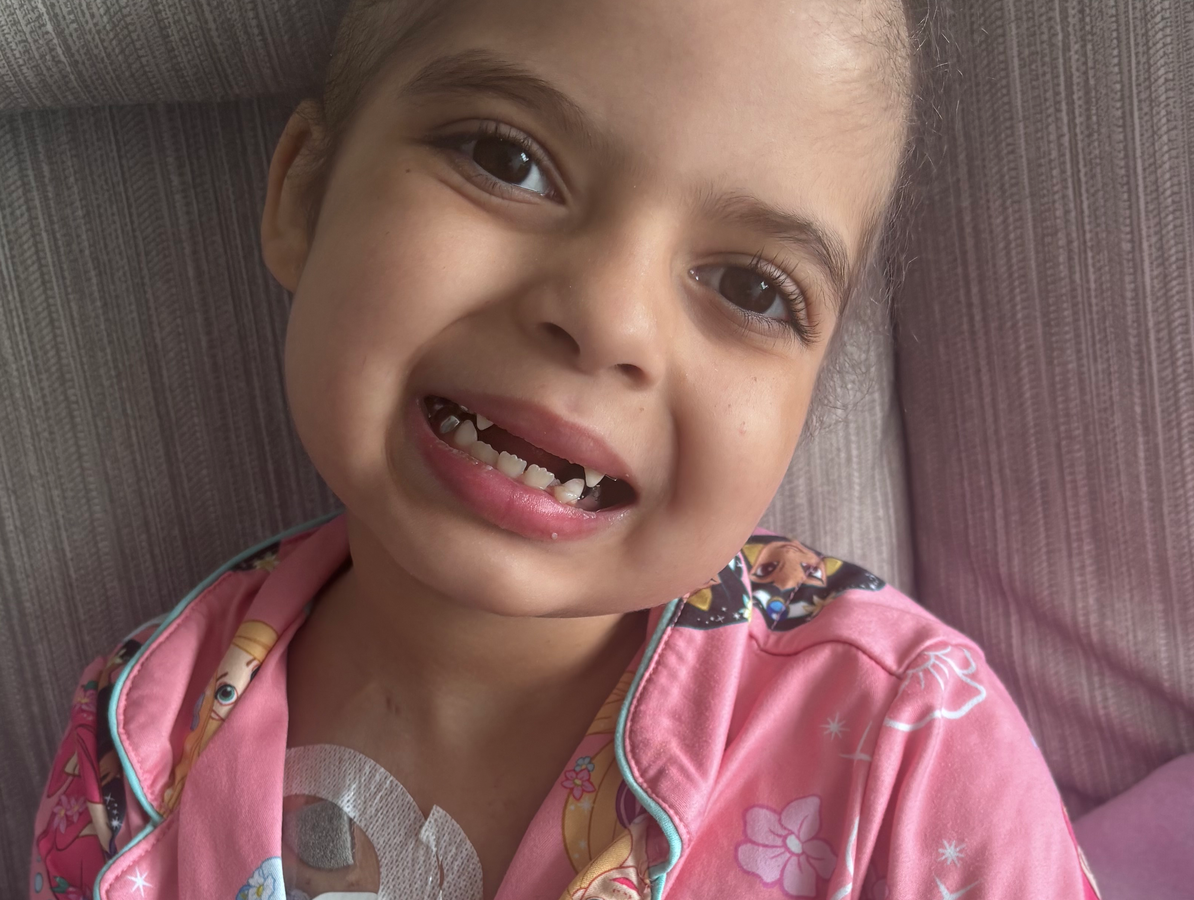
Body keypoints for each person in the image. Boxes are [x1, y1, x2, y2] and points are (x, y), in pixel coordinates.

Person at [28, 0, 1104, 898]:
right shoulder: (133, 748)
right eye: (509, 161)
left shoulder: (912, 743)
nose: (607, 318)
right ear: (305, 193)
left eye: (750, 288)